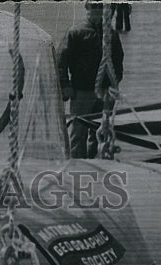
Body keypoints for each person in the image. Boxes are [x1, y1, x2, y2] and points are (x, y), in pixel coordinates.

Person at [58, 2, 125, 159]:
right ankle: (76, 166)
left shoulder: (111, 34)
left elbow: (118, 60)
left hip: (105, 92)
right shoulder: (75, 33)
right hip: (81, 92)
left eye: (100, 6)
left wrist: (115, 83)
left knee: (101, 132)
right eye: (93, 6)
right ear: (87, 8)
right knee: (77, 133)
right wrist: (65, 85)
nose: (96, 10)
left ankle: (97, 164)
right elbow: (61, 62)